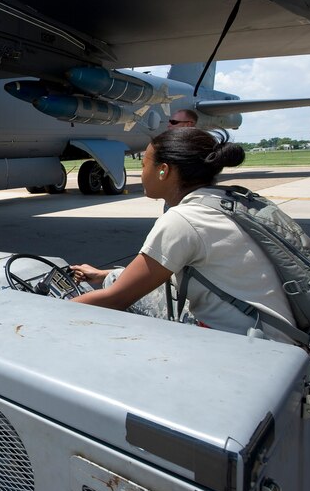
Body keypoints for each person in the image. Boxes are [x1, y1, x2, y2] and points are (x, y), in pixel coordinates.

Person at [69, 127, 297, 343]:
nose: (142, 171)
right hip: (278, 336)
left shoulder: (183, 219)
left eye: (145, 163)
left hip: (248, 346)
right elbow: (164, 272)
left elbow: (116, 299)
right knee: (117, 278)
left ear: (163, 170)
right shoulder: (228, 202)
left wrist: (52, 310)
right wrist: (103, 275)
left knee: (113, 297)